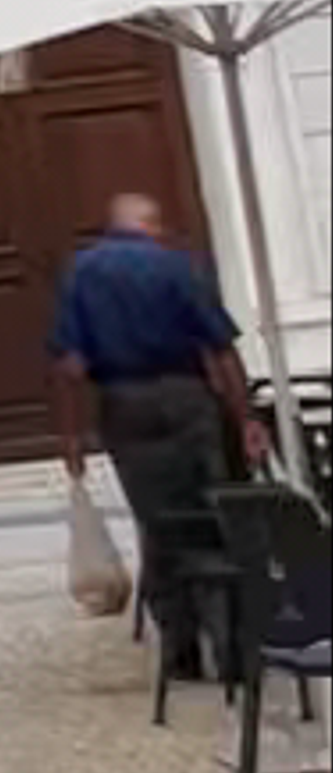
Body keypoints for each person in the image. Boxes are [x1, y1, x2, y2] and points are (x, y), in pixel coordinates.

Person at [50, 189, 263, 672]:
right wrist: (245, 416)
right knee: (211, 512)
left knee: (158, 519)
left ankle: (179, 649)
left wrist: (71, 434)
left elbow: (69, 364)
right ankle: (229, 645)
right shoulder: (178, 266)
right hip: (187, 397)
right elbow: (221, 350)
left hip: (124, 404)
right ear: (152, 225)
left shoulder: (81, 273)